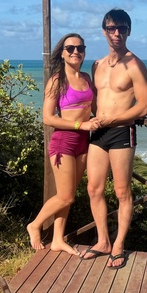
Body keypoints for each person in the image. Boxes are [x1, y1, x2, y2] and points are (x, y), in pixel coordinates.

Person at [80, 9, 147, 269]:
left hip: (121, 131)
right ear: (104, 31)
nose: (117, 33)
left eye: (122, 28)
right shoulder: (97, 65)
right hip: (97, 132)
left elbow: (144, 107)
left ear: (129, 31)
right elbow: (93, 101)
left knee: (122, 191)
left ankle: (118, 244)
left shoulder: (135, 65)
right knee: (94, 189)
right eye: (111, 28)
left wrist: (112, 119)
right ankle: (102, 241)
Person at [27, 33, 100, 256]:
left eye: (80, 48)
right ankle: (35, 224)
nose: (76, 52)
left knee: (67, 193)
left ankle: (58, 239)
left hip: (83, 144)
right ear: (62, 52)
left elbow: (96, 109)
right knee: (66, 196)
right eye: (70, 48)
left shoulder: (87, 78)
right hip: (64, 143)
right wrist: (81, 125)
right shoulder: (57, 80)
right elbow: (48, 117)